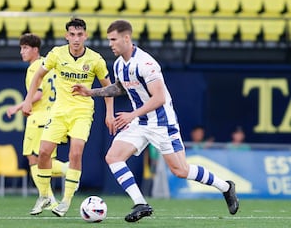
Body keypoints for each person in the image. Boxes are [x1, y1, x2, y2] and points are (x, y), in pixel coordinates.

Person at [72, 20, 239, 222]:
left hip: (161, 122)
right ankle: (140, 203)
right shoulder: (119, 64)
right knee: (113, 157)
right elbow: (120, 87)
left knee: (180, 170)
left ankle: (226, 187)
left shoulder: (146, 63)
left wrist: (131, 114)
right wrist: (90, 92)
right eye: (109, 40)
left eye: (114, 39)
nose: (111, 44)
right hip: (140, 122)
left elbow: (159, 98)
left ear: (127, 38)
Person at [21, 18, 115, 217]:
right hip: (58, 112)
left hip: (82, 112)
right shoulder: (57, 54)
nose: (76, 39)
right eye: (72, 35)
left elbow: (108, 88)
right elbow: (38, 75)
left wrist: (109, 113)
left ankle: (66, 201)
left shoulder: (95, 60)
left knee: (76, 153)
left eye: (80, 35)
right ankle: (45, 195)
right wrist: (28, 101)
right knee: (44, 153)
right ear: (67, 36)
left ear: (85, 36)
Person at [6, 33, 68, 215]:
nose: (21, 52)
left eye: (25, 48)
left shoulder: (35, 68)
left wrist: (19, 106)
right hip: (52, 117)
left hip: (38, 117)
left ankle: (67, 170)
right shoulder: (51, 66)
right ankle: (51, 199)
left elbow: (38, 93)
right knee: (45, 159)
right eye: (21, 48)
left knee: (33, 159)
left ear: (35, 50)